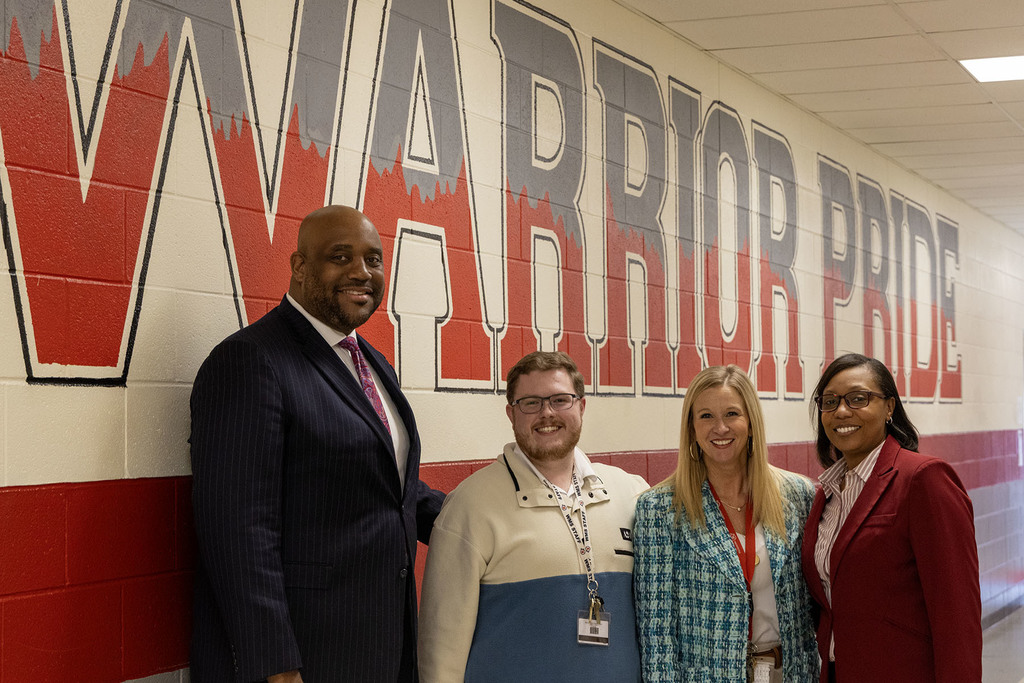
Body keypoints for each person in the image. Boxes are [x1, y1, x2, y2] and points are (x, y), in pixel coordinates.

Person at [189, 205, 445, 683]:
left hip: (380, 645)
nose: (362, 273)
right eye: (340, 257)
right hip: (304, 655)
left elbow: (388, 490)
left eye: (374, 259)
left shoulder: (371, 361)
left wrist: (491, 519)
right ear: (300, 267)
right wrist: (276, 664)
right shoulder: (250, 361)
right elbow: (238, 531)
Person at [417, 351, 649, 682]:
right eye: (531, 403)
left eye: (560, 400)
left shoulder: (632, 494)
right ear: (511, 414)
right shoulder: (470, 507)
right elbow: (441, 652)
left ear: (581, 407)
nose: (547, 413)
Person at [801, 353, 981, 683]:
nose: (842, 411)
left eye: (859, 398)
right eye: (830, 401)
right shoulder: (826, 493)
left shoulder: (923, 479)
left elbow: (956, 615)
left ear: (889, 408)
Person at [634, 364, 818, 682]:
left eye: (732, 414)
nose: (720, 428)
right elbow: (657, 633)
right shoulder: (660, 509)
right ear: (691, 428)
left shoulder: (798, 495)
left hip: (788, 673)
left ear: (751, 423)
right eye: (705, 416)